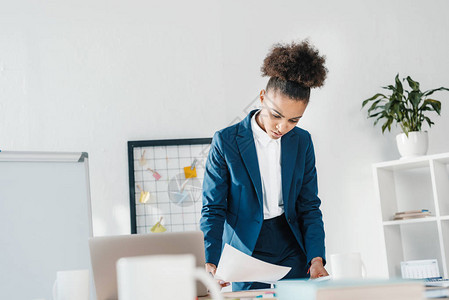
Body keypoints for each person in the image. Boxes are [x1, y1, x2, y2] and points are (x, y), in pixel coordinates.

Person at [200, 40, 329, 291]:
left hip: (291, 247)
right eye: (276, 115)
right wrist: (210, 261)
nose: (282, 127)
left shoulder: (302, 142)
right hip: (245, 253)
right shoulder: (226, 142)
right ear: (262, 98)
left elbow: (309, 206)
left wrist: (316, 258)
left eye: (293, 120)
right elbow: (214, 208)